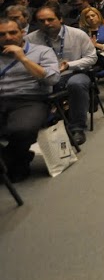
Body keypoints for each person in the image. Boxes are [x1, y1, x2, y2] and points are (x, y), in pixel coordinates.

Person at [0, 17, 60, 181]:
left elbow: (52, 79)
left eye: (13, 32)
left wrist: (23, 59)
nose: (8, 37)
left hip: (30, 100)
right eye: (2, 34)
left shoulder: (42, 51)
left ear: (23, 33)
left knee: (22, 130)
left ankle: (12, 159)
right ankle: (13, 157)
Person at [26, 6, 97, 146]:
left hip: (75, 72)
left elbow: (92, 58)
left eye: (50, 19)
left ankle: (77, 128)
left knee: (76, 84)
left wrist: (69, 65)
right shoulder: (30, 39)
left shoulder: (77, 34)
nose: (46, 23)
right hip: (45, 76)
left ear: (60, 19)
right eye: (41, 21)